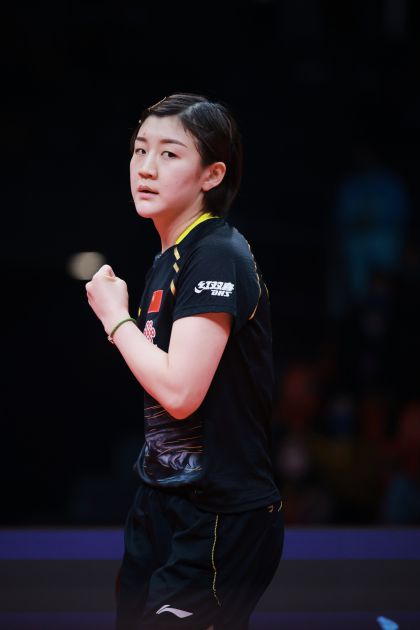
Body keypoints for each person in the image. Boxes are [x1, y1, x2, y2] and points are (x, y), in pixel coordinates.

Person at [85, 93, 283, 630]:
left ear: (212, 174)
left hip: (218, 514)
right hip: (160, 500)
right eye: (139, 149)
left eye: (169, 154)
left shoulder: (216, 253)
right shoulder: (169, 259)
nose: (146, 167)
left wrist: (114, 318)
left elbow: (179, 394)